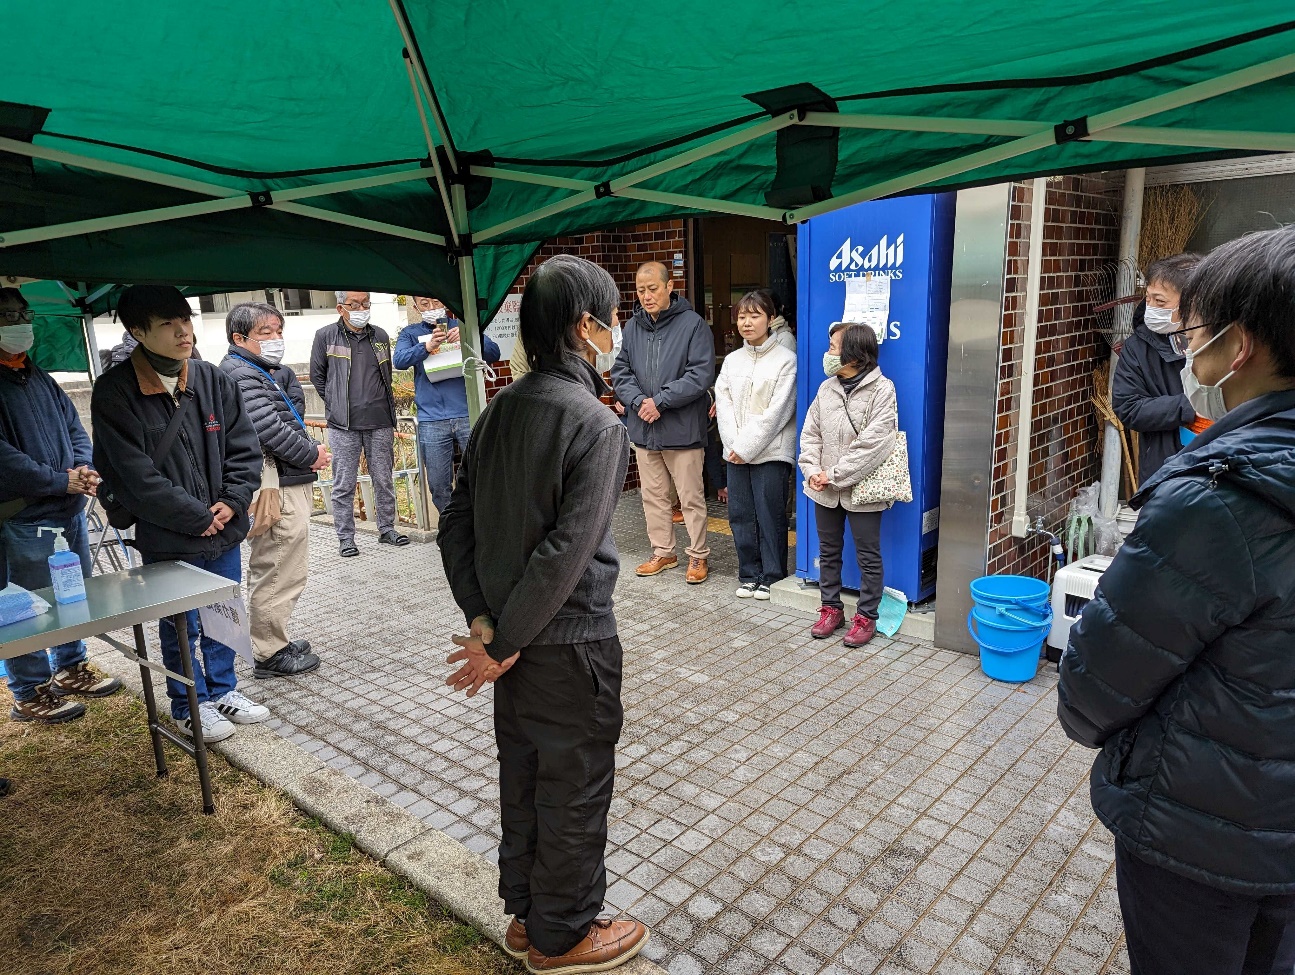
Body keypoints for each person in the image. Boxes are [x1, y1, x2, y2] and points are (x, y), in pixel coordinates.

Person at [1059, 227, 1295, 975]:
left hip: (1203, 831)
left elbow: (1095, 684)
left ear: (1241, 344)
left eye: (1193, 324)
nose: (1183, 338)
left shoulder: (1217, 501)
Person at [438, 254, 648, 974]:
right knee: (575, 788)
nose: (615, 330)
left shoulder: (498, 409)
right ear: (585, 326)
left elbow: (454, 523)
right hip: (569, 643)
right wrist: (504, 639)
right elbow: (567, 552)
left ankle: (529, 915)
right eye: (612, 317)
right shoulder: (593, 422)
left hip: (512, 640)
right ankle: (564, 935)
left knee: (525, 780)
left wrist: (485, 622)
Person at [92, 285, 267, 743]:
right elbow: (132, 474)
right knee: (180, 622)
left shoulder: (212, 379)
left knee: (223, 611)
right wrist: (195, 516)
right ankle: (189, 703)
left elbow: (244, 448)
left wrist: (232, 501)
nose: (183, 332)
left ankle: (225, 689)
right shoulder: (114, 392)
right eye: (167, 325)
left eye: (185, 321)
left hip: (223, 528)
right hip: (168, 534)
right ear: (137, 332)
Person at [0, 287, 122, 723]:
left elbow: (74, 425)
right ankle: (29, 690)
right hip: (21, 518)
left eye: (24, 313)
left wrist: (84, 467)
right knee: (26, 607)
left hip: (66, 510)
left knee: (73, 597)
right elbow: (5, 460)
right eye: (8, 315)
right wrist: (60, 480)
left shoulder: (36, 375)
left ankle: (70, 666)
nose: (20, 323)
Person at [220, 302, 325, 679]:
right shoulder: (240, 372)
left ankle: (272, 637)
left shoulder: (256, 369)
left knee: (281, 562)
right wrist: (312, 454)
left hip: (280, 476)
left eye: (278, 330)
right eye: (265, 332)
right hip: (273, 481)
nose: (276, 338)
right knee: (279, 564)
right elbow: (270, 429)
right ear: (239, 338)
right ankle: (269, 652)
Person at [611, 262, 715, 584]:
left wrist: (660, 401)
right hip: (644, 427)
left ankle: (698, 556)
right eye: (641, 290)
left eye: (652, 288)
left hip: (681, 428)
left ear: (670, 286)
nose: (646, 296)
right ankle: (663, 551)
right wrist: (639, 402)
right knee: (653, 495)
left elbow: (700, 374)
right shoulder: (632, 327)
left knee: (690, 497)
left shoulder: (693, 324)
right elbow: (620, 371)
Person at [799, 324, 897, 648]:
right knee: (828, 551)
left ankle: (867, 616)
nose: (828, 353)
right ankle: (831, 609)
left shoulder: (883, 390)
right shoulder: (827, 389)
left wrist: (835, 474)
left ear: (854, 352)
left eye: (833, 346)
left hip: (861, 489)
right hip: (824, 486)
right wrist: (812, 469)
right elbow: (810, 433)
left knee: (868, 555)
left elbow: (875, 445)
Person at [309, 290, 408, 557]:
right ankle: (345, 538)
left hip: (380, 421)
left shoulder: (380, 336)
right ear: (341, 308)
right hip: (344, 424)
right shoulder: (326, 336)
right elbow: (317, 376)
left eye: (365, 303)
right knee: (344, 482)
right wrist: (335, 403)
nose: (361, 308)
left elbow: (386, 376)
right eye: (355, 304)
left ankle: (387, 528)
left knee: (384, 479)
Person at [715, 290, 797, 601]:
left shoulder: (787, 361)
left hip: (772, 451)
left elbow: (778, 412)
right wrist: (734, 445)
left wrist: (745, 446)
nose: (747, 323)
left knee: (770, 515)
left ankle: (773, 576)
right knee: (740, 515)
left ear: (770, 318)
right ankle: (749, 574)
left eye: (754, 315)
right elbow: (723, 405)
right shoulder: (733, 360)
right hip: (736, 453)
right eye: (741, 316)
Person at [393, 296, 500, 518]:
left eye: (436, 302)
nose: (432, 308)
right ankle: (451, 529)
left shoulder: (461, 326)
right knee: (439, 483)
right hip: (431, 418)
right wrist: (426, 346)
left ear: (444, 303)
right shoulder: (410, 333)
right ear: (416, 307)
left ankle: (484, 523)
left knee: (482, 473)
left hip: (466, 412)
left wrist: (468, 337)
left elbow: (493, 353)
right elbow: (400, 360)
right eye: (424, 304)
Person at [1113, 253, 1203, 481]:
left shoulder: (1224, 340)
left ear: (1192, 302)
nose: (1150, 307)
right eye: (1148, 298)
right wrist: (1189, 406)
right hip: (1161, 468)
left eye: (1160, 301)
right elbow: (1128, 407)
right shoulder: (1138, 346)